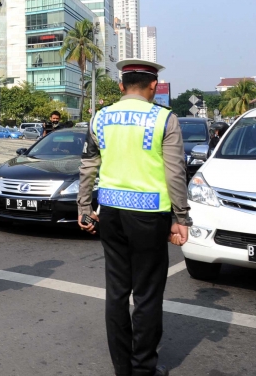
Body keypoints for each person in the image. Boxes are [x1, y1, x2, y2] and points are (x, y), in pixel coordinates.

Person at [77, 59, 192, 376]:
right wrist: (180, 218)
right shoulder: (163, 118)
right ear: (153, 86)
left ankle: (121, 367)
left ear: (120, 85)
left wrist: (84, 208)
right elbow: (175, 173)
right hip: (150, 215)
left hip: (111, 213)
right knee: (147, 294)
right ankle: (143, 367)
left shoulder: (101, 118)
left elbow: (88, 166)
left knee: (116, 292)